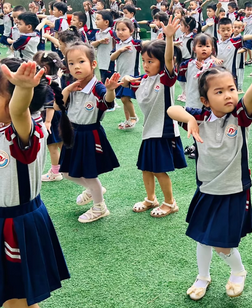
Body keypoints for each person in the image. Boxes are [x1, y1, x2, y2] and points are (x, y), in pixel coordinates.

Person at [167, 65, 252, 300]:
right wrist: (189, 118)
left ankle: (238, 271)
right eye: (218, 92)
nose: (228, 95)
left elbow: (249, 97)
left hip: (233, 190)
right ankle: (203, 277)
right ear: (205, 100)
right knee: (202, 237)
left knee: (221, 244)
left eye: (231, 88)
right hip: (207, 189)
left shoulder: (240, 117)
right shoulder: (199, 118)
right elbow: (171, 109)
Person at [0, 59, 71, 308]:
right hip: (7, 222)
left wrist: (22, 91)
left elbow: (17, 110)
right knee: (8, 295)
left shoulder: (22, 133)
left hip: (16, 227)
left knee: (20, 299)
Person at [122, 18, 187, 218]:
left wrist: (169, 38)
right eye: (144, 61)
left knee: (159, 171)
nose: (146, 65)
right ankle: (151, 199)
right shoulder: (143, 80)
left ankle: (170, 203)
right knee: (146, 168)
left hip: (163, 131)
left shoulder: (165, 79)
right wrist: (123, 80)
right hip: (149, 131)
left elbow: (169, 60)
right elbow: (126, 85)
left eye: (151, 61)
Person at [59, 42, 120, 223]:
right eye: (71, 63)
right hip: (73, 133)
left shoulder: (97, 87)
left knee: (89, 174)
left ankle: (100, 206)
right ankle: (96, 190)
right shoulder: (72, 85)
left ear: (93, 64)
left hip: (89, 135)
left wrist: (110, 91)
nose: (76, 66)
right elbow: (57, 105)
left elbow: (107, 101)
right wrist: (67, 90)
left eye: (81, 61)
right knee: (66, 172)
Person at [32, 51, 65, 183]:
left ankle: (55, 172)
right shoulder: (56, 77)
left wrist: (47, 122)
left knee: (52, 146)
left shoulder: (46, 83)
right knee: (62, 143)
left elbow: (50, 105)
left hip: (52, 117)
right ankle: (69, 165)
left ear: (44, 69)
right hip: (60, 115)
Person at [110, 18, 141, 130]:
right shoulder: (118, 44)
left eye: (124, 29)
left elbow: (147, 46)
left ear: (131, 31)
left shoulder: (135, 43)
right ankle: (127, 120)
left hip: (131, 76)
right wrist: (120, 50)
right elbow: (112, 57)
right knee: (124, 99)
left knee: (124, 99)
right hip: (120, 76)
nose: (120, 32)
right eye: (118, 29)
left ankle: (133, 117)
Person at [90, 10, 117, 84]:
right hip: (101, 62)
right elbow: (91, 44)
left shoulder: (111, 33)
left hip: (110, 63)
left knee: (111, 83)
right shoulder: (97, 33)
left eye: (98, 19)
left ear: (106, 22)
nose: (95, 21)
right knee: (104, 81)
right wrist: (99, 41)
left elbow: (118, 42)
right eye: (96, 19)